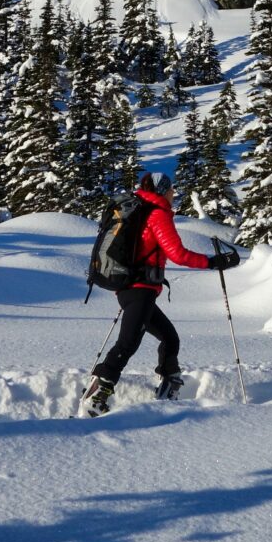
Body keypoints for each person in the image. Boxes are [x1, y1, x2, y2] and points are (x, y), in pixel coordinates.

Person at [84, 171, 239, 414]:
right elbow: (178, 254)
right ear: (161, 191)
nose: (173, 193)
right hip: (140, 289)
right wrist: (213, 262)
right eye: (170, 190)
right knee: (127, 343)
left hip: (133, 289)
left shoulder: (139, 211)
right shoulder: (157, 215)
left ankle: (170, 388)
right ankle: (96, 396)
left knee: (169, 338)